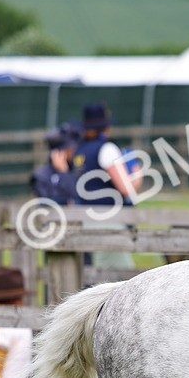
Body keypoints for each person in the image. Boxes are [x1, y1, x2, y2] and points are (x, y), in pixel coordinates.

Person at [72, 102, 142, 270]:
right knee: (119, 278)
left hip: (83, 219)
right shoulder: (107, 149)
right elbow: (126, 188)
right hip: (108, 220)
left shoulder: (79, 150)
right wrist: (137, 171)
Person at [29, 123, 78, 205]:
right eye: (70, 148)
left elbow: (76, 198)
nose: (74, 151)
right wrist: (63, 173)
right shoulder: (41, 176)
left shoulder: (75, 169)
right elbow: (48, 202)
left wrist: (64, 172)